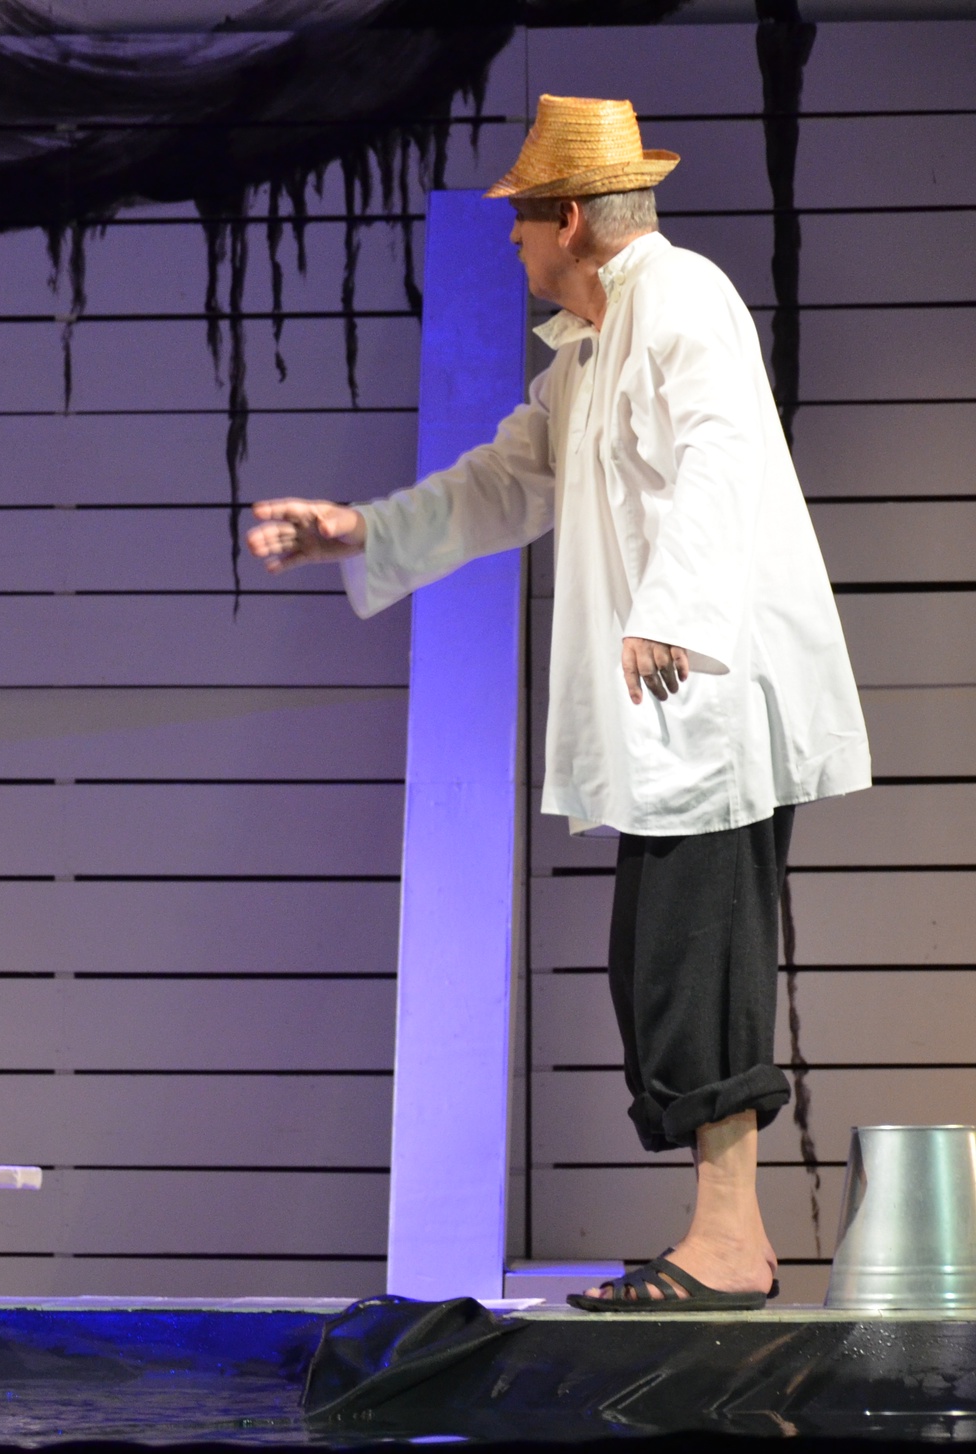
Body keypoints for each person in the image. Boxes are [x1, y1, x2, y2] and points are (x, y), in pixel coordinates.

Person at [245, 96, 869, 1311]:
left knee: (698, 960)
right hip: (667, 705)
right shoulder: (585, 352)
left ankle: (728, 1245)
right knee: (656, 962)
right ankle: (725, 1235)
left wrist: (672, 608)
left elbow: (723, 454)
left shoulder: (680, 298)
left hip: (710, 695)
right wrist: (359, 530)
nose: (513, 244)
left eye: (522, 222)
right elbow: (502, 483)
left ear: (569, 219)